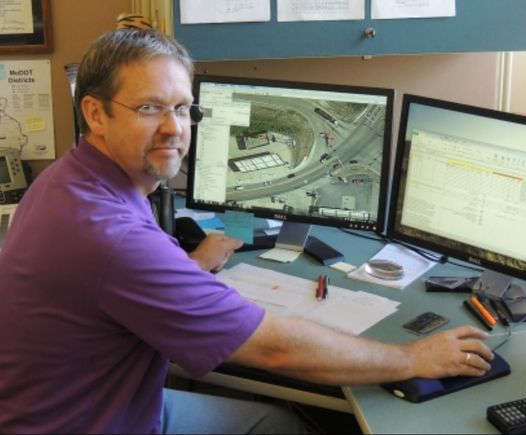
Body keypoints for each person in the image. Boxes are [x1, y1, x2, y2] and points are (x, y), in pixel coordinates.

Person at [0, 29, 494, 434]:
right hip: (93, 423)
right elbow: (272, 346)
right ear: (94, 113)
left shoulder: (67, 181)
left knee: (272, 421)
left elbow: (111, 285)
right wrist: (411, 357)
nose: (174, 128)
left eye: (182, 108)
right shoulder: (112, 237)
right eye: (149, 108)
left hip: (76, 407)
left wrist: (189, 269)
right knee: (280, 425)